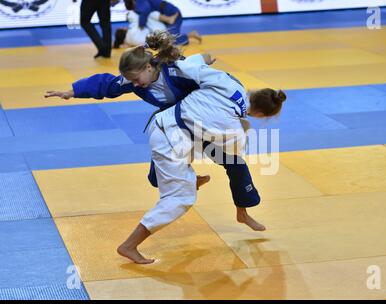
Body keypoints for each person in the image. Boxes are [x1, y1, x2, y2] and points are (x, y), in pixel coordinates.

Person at [44, 32, 280, 252]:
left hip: (200, 122)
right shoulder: (133, 80)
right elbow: (106, 84)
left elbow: (197, 61)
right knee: (156, 179)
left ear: (148, 67)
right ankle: (190, 178)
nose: (135, 85)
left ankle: (243, 211)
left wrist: (208, 60)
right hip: (172, 128)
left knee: (235, 163)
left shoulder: (175, 69)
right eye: (131, 82)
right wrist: (73, 91)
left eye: (137, 79)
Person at [113, 34, 285, 264]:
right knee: (181, 197)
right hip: (172, 137)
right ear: (261, 115)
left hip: (172, 127)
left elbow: (191, 65)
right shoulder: (232, 127)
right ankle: (129, 245)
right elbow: (233, 148)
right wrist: (242, 129)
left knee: (231, 163)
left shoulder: (229, 82)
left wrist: (204, 56)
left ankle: (232, 206)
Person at [128, 0, 201, 45]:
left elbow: (146, 10)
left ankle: (190, 35)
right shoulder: (139, 5)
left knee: (170, 41)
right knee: (168, 40)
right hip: (167, 13)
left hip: (172, 14)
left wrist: (141, 24)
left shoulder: (139, 3)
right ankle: (183, 40)